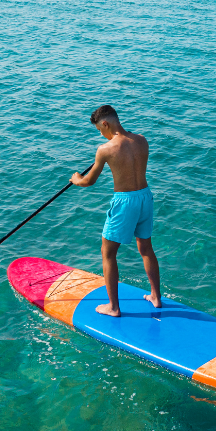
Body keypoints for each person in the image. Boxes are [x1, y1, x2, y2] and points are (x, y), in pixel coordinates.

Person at [70, 105, 161, 316]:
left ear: (105, 124)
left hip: (125, 201)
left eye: (100, 130)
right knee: (146, 248)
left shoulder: (105, 149)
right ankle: (156, 297)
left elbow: (89, 181)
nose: (101, 134)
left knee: (108, 252)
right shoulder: (141, 140)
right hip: (145, 197)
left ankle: (113, 307)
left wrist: (76, 179)